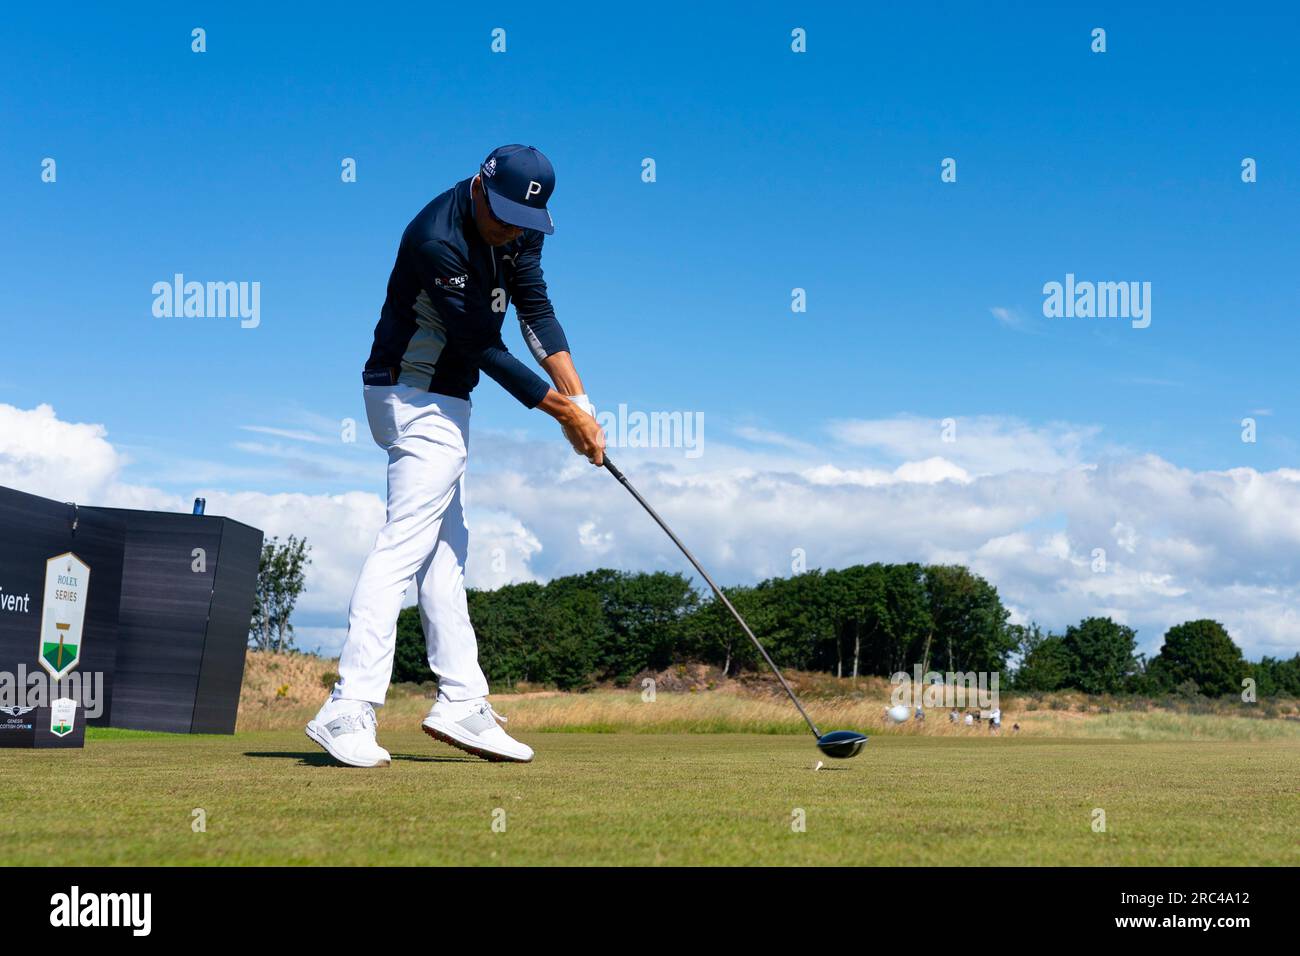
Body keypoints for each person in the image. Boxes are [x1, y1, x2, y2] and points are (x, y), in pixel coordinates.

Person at [306, 145, 606, 768]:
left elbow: (536, 311)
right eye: (498, 216)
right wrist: (564, 415)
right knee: (406, 543)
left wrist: (584, 404)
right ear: (478, 187)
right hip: (410, 393)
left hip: (447, 400)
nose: (508, 231)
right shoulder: (433, 238)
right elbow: (480, 347)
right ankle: (348, 705)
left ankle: (462, 701)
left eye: (522, 223)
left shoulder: (521, 228)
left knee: (445, 552)